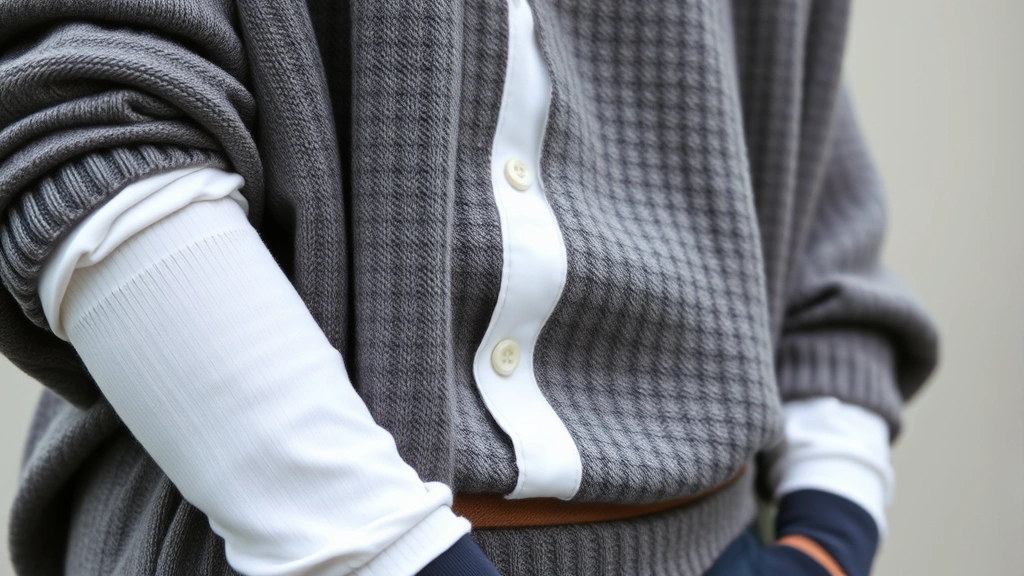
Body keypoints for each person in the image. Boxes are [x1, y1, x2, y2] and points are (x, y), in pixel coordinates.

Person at [0, 1, 939, 575]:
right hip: (263, 550)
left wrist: (828, 529)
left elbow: (800, 170)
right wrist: (379, 557)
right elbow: (87, 132)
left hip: (723, 546)